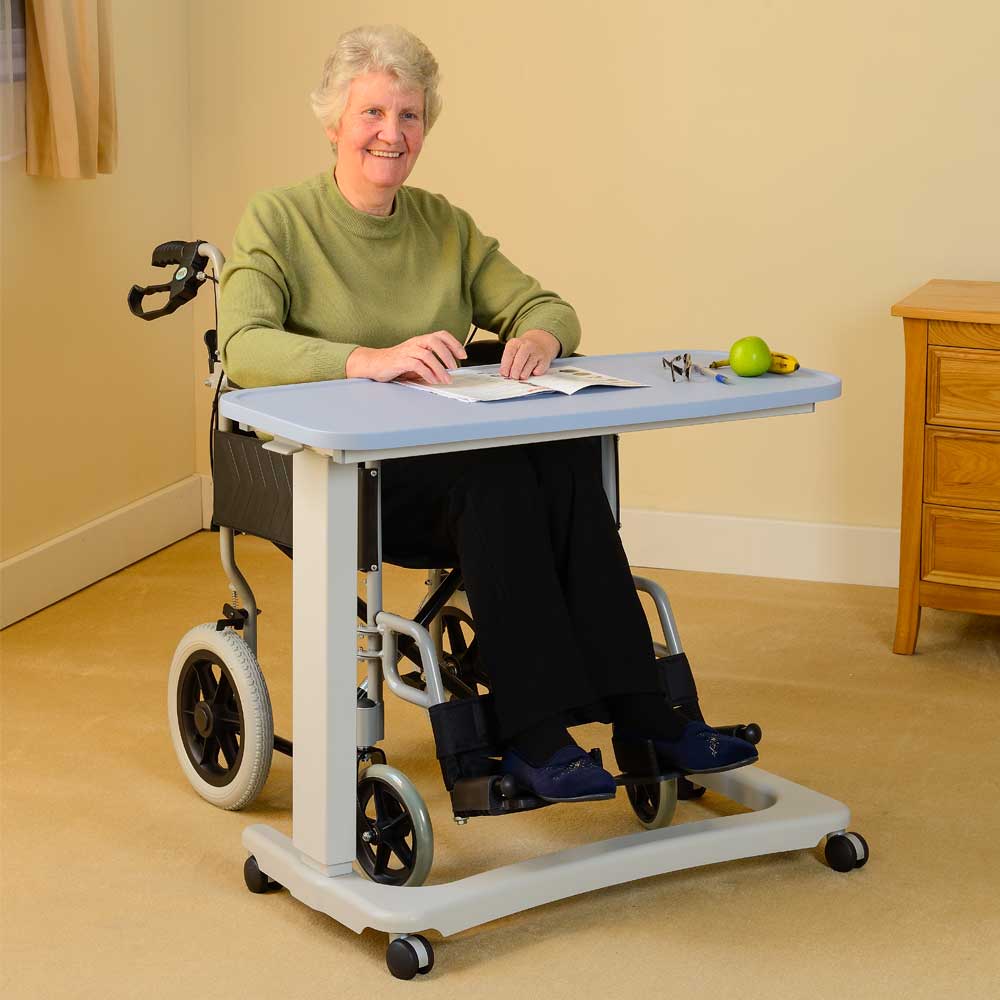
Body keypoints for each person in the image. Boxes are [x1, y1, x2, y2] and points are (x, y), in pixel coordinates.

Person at [218, 24, 757, 803]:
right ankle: (533, 737)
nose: (391, 134)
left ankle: (646, 716)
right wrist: (366, 359)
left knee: (564, 457)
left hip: (445, 454)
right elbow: (244, 347)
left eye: (409, 116)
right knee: (498, 482)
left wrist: (537, 335)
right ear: (335, 121)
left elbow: (546, 305)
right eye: (372, 113)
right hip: (345, 475)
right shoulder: (280, 219)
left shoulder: (443, 225)